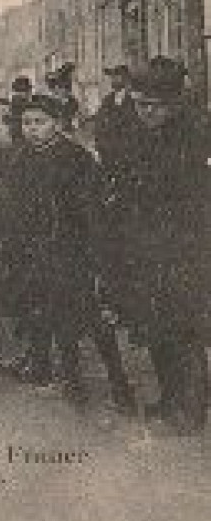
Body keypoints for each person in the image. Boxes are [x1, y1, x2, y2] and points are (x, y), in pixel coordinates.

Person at [0, 95, 133, 409]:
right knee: (42, 312)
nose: (32, 130)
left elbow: (91, 208)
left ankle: (119, 384)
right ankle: (60, 376)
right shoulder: (17, 159)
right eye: (26, 123)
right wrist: (6, 236)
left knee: (89, 318)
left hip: (71, 249)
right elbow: (5, 202)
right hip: (31, 250)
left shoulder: (75, 158)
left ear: (56, 123)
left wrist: (91, 249)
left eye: (40, 122)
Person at [109, 57, 208, 433]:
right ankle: (170, 399)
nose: (145, 112)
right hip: (146, 247)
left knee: (184, 328)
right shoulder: (138, 135)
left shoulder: (194, 138)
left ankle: (191, 410)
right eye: (139, 105)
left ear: (172, 105)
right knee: (154, 325)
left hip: (185, 249)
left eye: (153, 106)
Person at [89, 63, 137, 176]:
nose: (113, 79)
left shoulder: (133, 99)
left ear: (125, 78)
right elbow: (99, 123)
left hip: (127, 152)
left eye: (116, 76)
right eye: (112, 76)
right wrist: (99, 144)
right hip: (108, 152)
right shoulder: (107, 100)